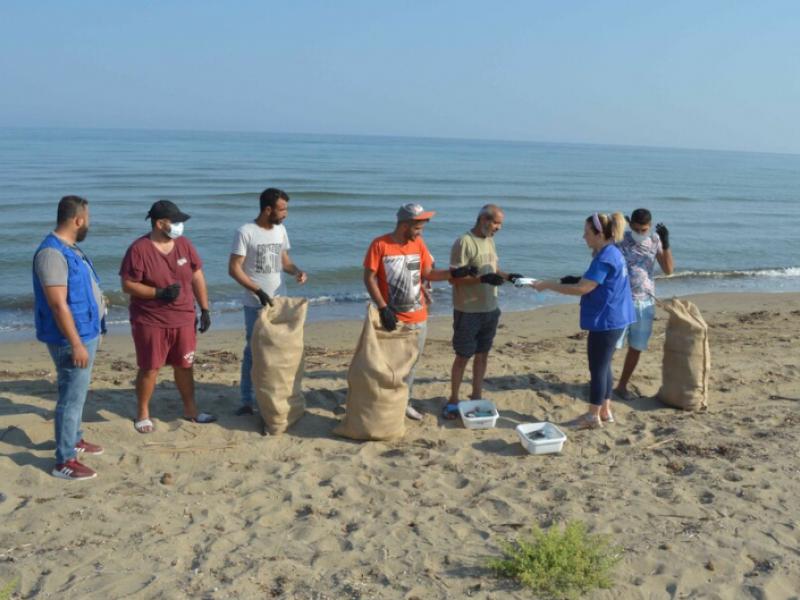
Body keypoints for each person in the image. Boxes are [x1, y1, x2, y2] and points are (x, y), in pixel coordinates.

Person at [363, 203, 471, 420]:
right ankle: (384, 404)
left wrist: (456, 273)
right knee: (389, 366)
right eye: (417, 228)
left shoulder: (419, 244)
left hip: (418, 317)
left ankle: (404, 403)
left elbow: (429, 273)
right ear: (404, 225)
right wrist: (383, 307)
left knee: (412, 365)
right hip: (392, 319)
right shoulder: (380, 245)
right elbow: (369, 278)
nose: (421, 232)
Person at [119, 200, 216, 433]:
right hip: (150, 319)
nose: (180, 225)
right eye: (176, 221)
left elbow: (197, 277)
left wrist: (205, 309)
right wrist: (158, 293)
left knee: (185, 365)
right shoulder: (139, 249)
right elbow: (127, 285)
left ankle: (190, 409)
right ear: (160, 223)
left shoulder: (184, 245)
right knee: (150, 367)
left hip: (183, 317)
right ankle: (143, 412)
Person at [532, 213, 635, 429]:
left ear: (600, 234)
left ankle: (592, 417)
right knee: (604, 365)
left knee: (597, 369)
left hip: (607, 320)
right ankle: (605, 411)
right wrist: (566, 279)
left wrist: (548, 284)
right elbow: (590, 280)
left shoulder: (606, 257)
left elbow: (582, 288)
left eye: (587, 233)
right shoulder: (612, 252)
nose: (583, 237)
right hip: (616, 317)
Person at [33, 195, 106, 480]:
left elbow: (86, 292)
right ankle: (64, 460)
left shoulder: (70, 248)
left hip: (85, 333)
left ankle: (74, 438)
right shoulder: (51, 254)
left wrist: (96, 329)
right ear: (78, 220)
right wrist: (76, 342)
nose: (89, 223)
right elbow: (58, 304)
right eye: (88, 218)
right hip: (69, 340)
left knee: (78, 393)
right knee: (70, 398)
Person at [228, 188, 307, 416]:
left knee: (277, 349)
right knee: (253, 351)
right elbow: (234, 269)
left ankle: (273, 395)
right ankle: (247, 400)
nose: (286, 214)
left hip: (278, 301)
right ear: (268, 209)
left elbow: (284, 260)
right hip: (255, 303)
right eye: (282, 210)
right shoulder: (245, 232)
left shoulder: (280, 230)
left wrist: (297, 271)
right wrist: (257, 290)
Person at [442, 204, 523, 419]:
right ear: (483, 220)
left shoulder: (490, 240)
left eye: (500, 224)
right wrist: (481, 279)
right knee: (462, 357)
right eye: (496, 223)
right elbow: (452, 278)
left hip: (490, 308)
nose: (499, 228)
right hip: (468, 310)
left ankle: (476, 396)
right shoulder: (464, 243)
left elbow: (493, 268)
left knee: (483, 355)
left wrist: (508, 276)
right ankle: (453, 399)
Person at [614, 209, 674, 400]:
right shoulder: (620, 238)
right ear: (630, 225)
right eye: (637, 229)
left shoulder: (655, 240)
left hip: (645, 301)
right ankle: (603, 382)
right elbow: (598, 256)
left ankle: (622, 385)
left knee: (636, 346)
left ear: (650, 226)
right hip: (621, 301)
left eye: (644, 229)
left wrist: (666, 244)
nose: (641, 233)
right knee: (612, 345)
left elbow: (668, 270)